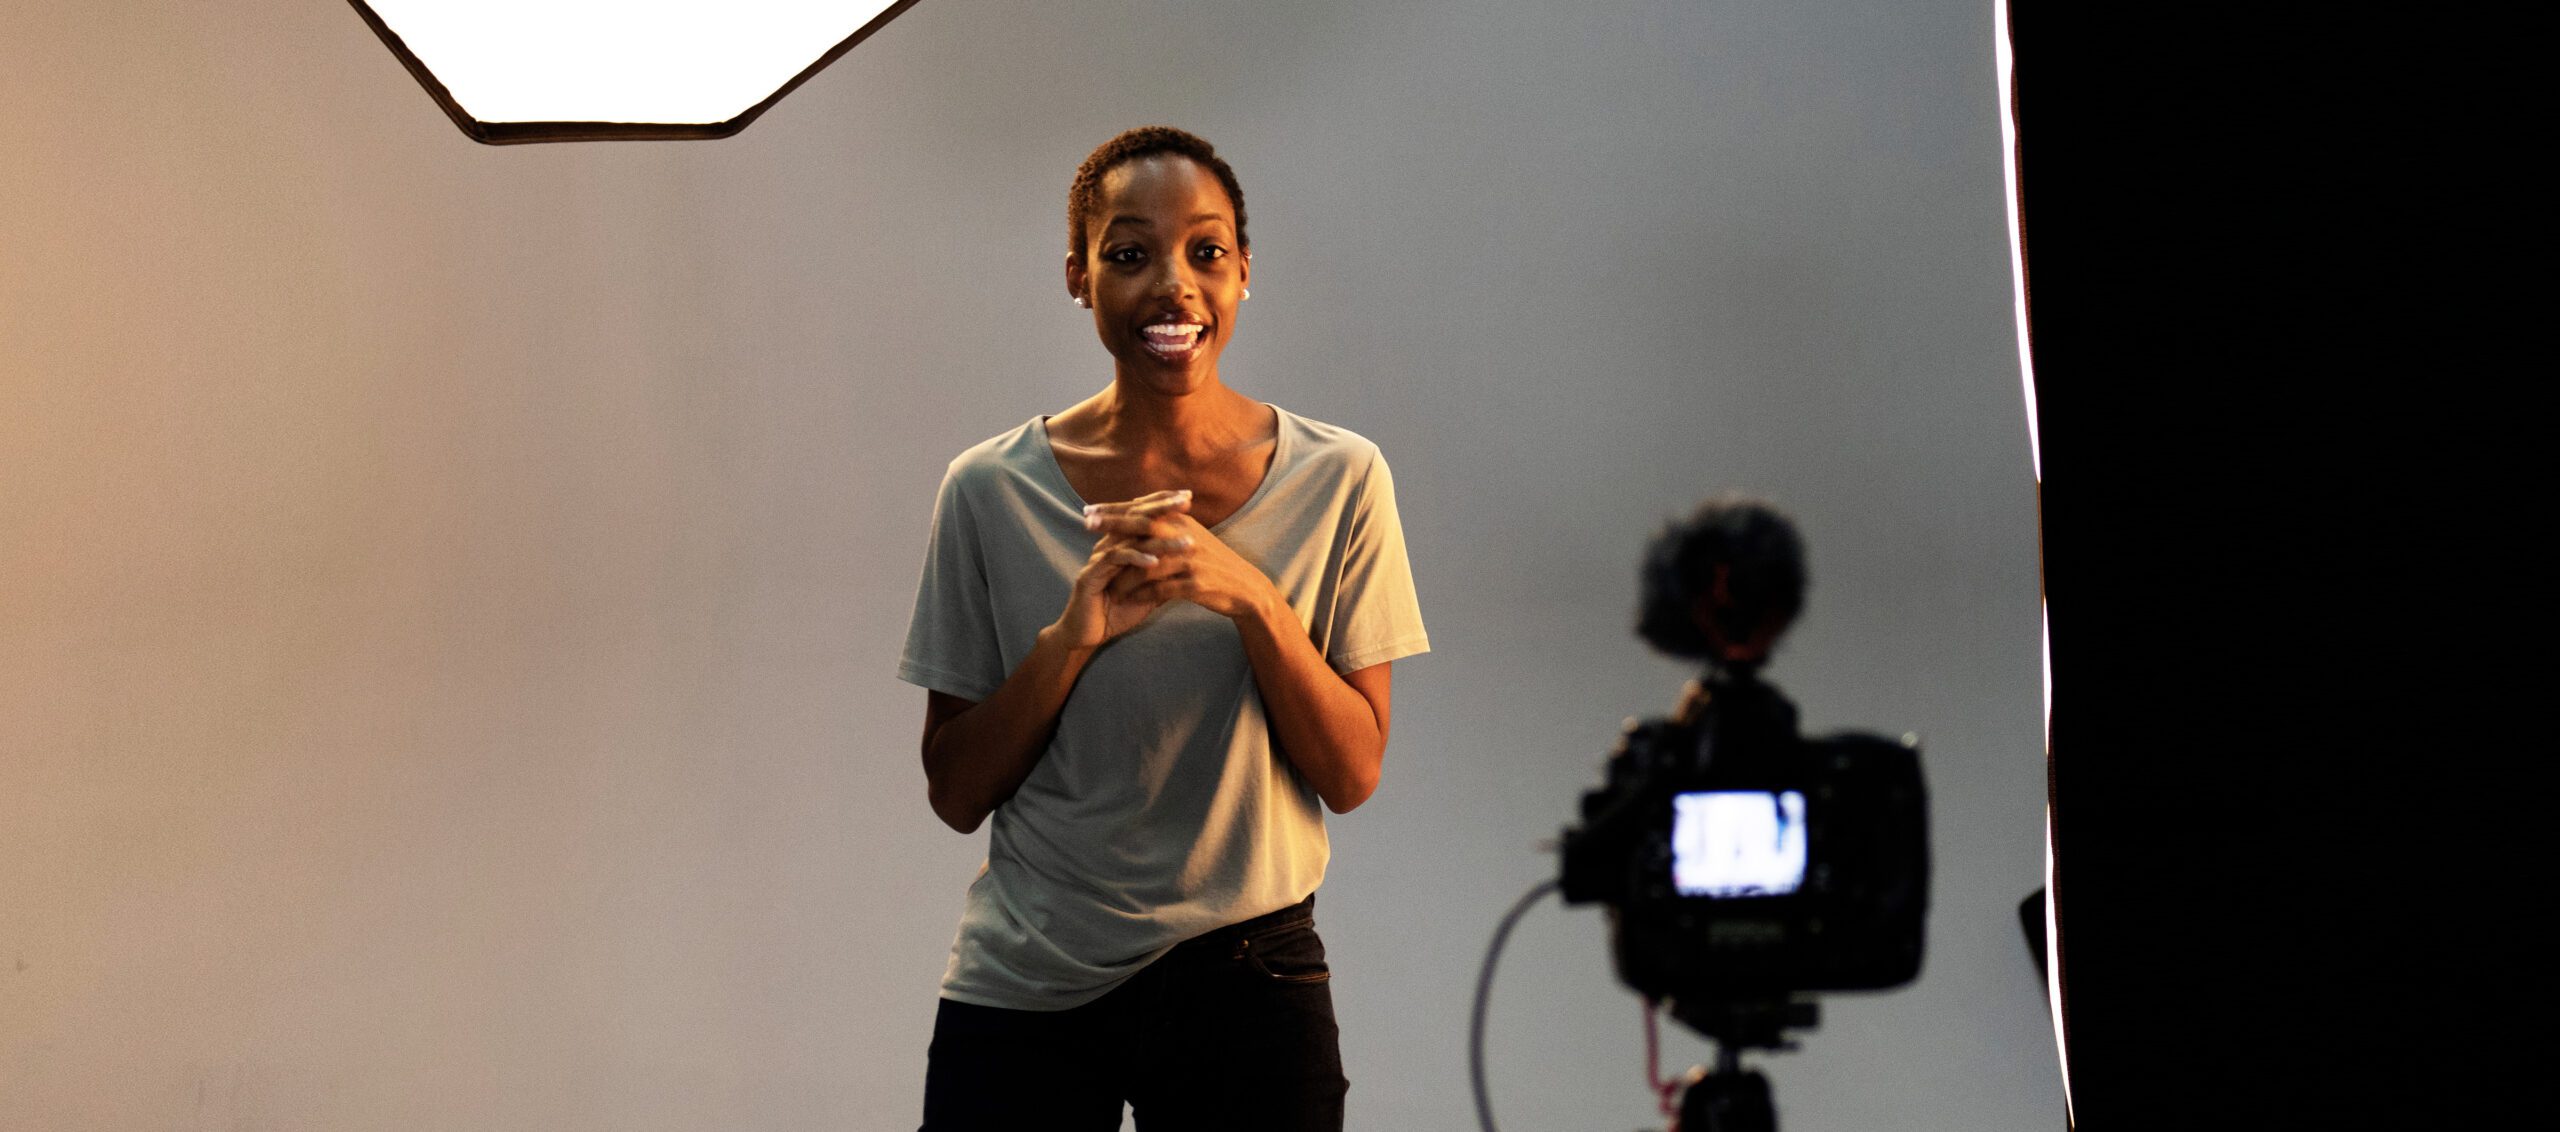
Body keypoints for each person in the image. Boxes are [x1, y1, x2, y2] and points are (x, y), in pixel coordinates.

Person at [897, 127, 1430, 1130]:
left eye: (1205, 252)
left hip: (1248, 968)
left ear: (1242, 274)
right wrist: (1070, 636)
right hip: (1030, 975)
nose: (1172, 287)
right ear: (1078, 275)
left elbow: (1353, 772)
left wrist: (1253, 597)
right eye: (1129, 253)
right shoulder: (986, 490)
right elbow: (956, 788)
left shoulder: (1342, 479)